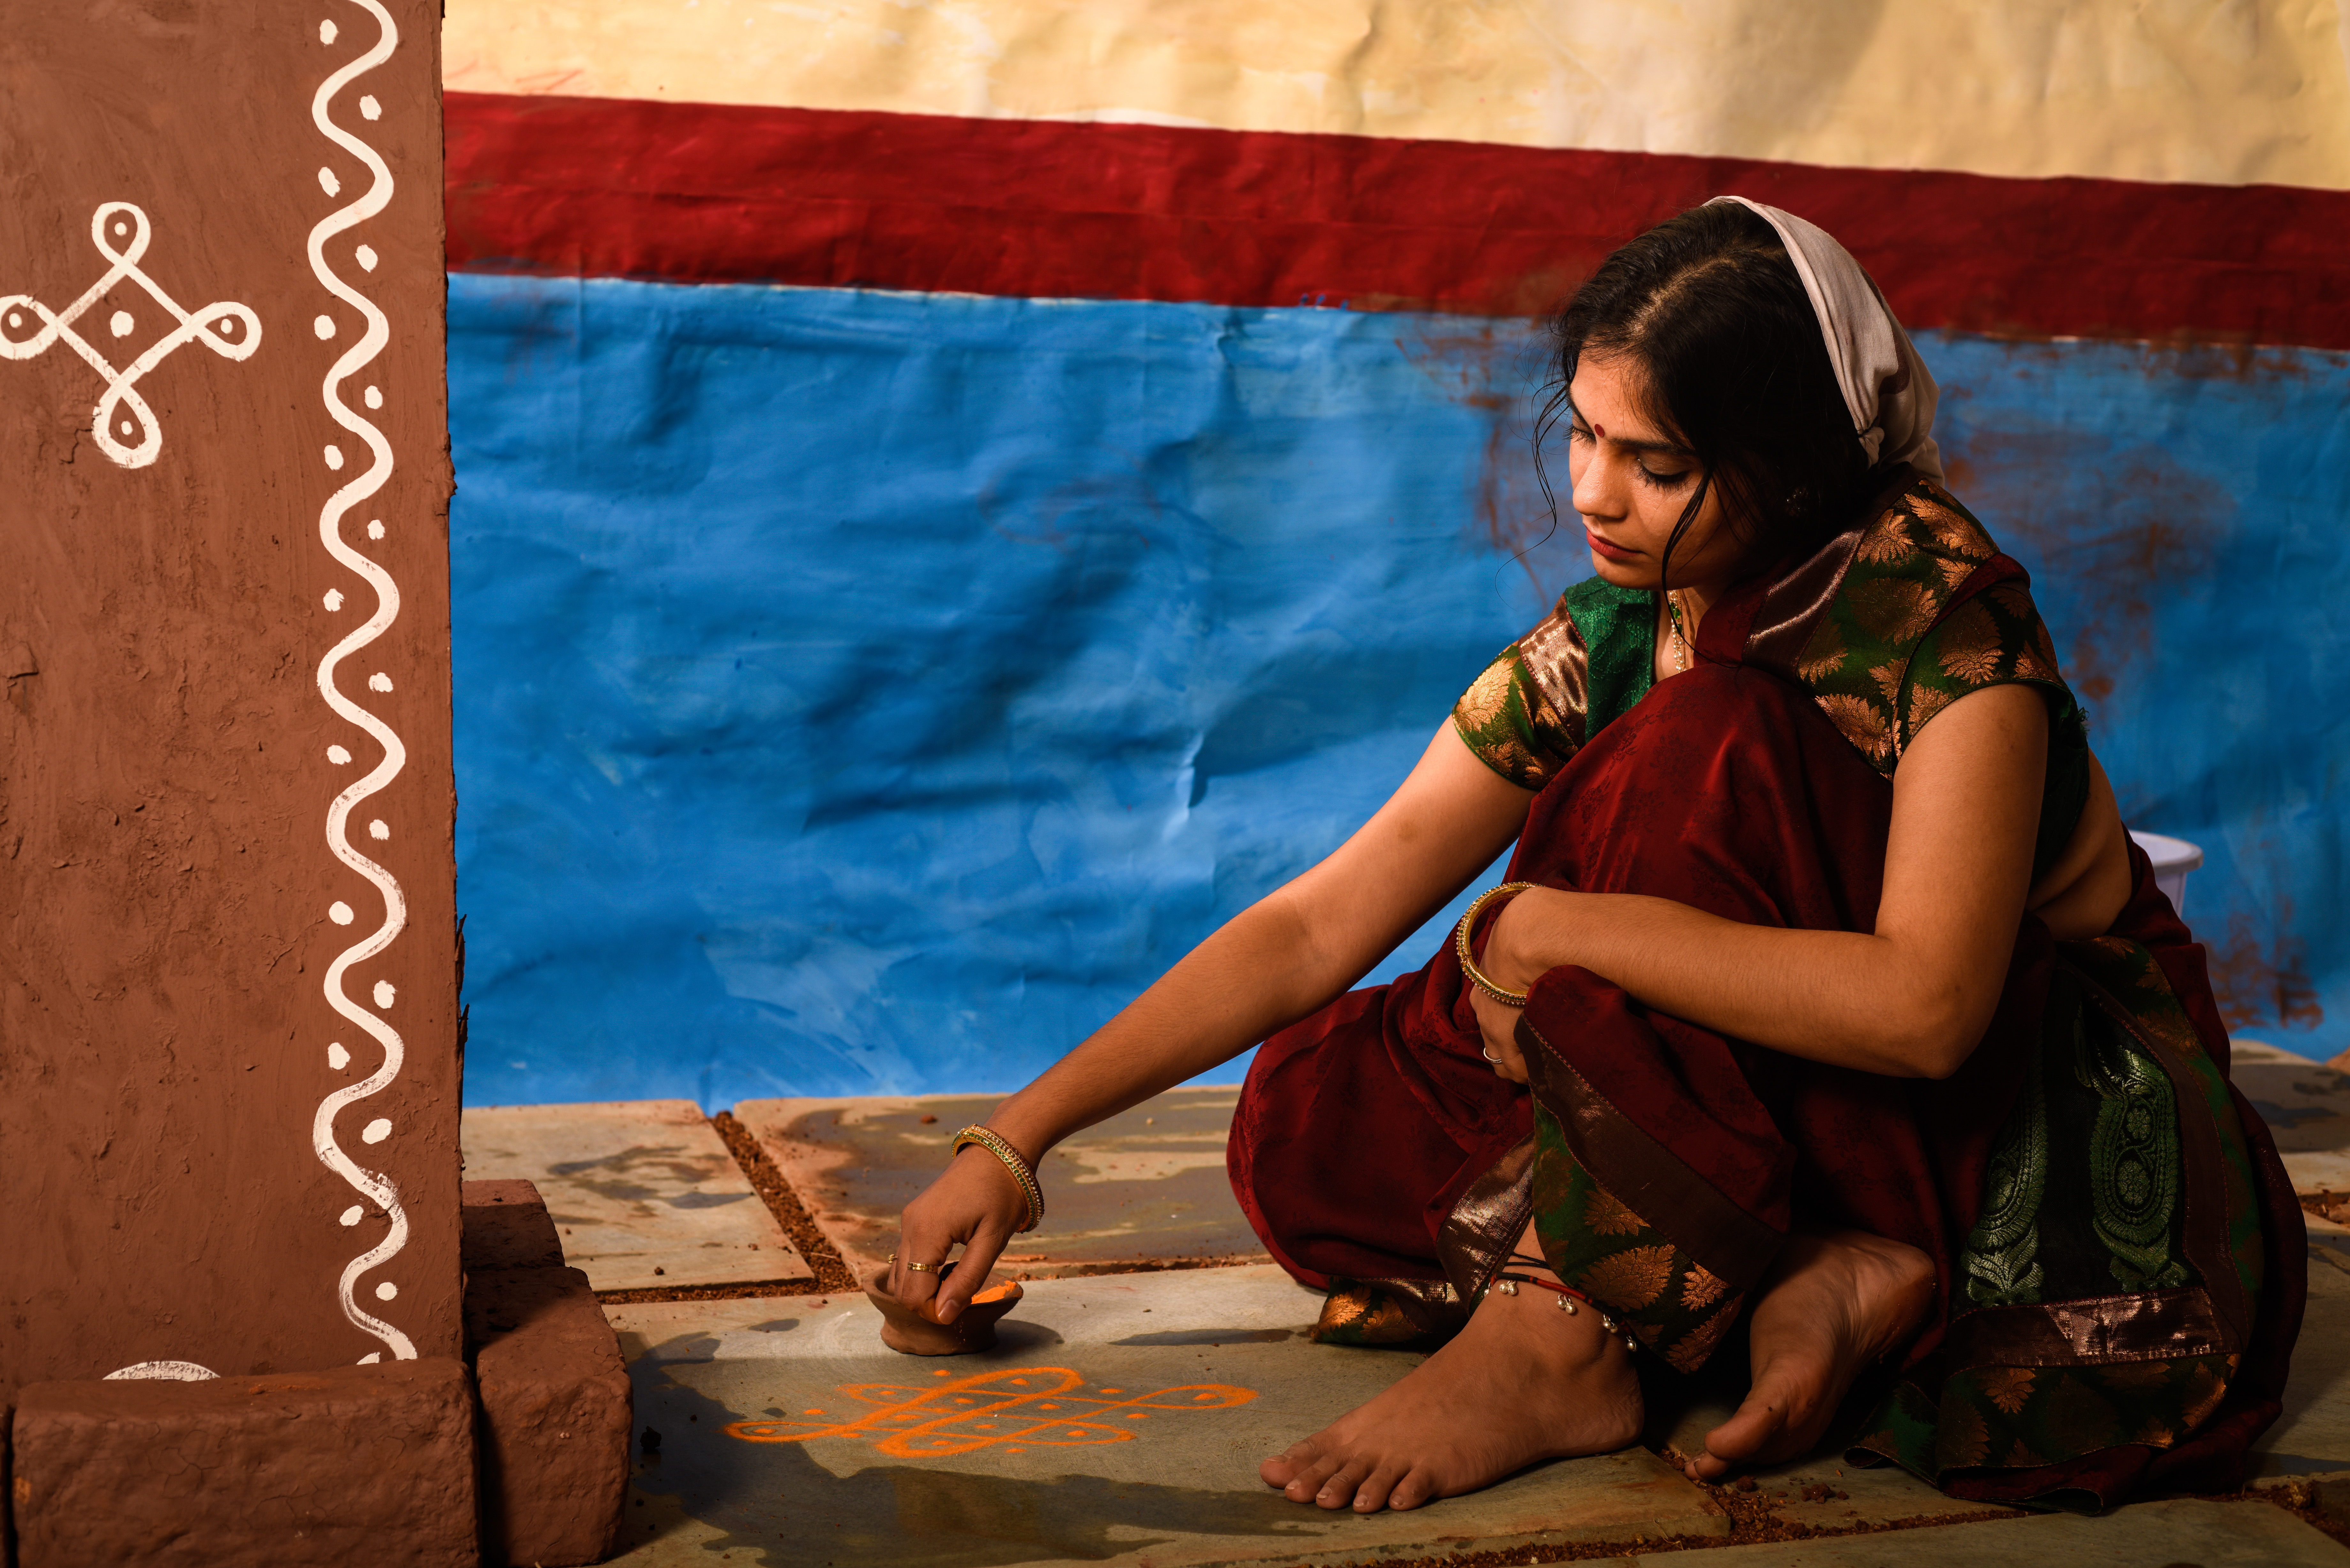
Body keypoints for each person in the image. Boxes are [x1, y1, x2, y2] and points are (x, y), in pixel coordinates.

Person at [878, 198, 2306, 1514]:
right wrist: (1020, 1137)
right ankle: (1827, 1263)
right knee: (1314, 1113)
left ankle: (1563, 1331)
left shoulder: (1940, 620)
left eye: (1655, 463)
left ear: (1797, 463)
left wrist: (1559, 933)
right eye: (1581, 435)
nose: (1592, 495)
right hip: (1803, 1090)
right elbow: (1326, 922)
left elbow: (1928, 1013)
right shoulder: (1627, 623)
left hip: (2011, 1113)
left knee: (1706, 748)